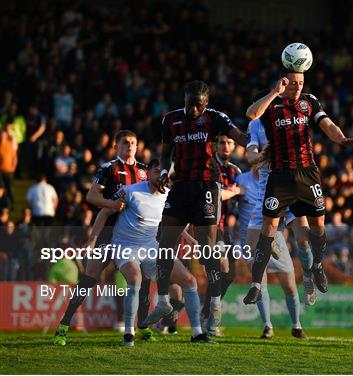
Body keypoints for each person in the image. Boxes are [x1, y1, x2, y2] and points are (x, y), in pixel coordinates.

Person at [243, 70, 353, 304]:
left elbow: (327, 124)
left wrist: (341, 138)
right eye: (293, 83)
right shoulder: (270, 107)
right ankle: (256, 284)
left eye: (301, 82)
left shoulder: (309, 101)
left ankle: (315, 268)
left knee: (313, 231)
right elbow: (251, 114)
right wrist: (274, 92)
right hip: (279, 177)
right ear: (283, 83)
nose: (297, 87)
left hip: (307, 173)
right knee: (267, 230)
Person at [145, 80, 248, 329]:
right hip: (180, 186)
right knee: (165, 244)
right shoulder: (171, 120)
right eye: (189, 104)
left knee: (207, 249)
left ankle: (213, 304)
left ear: (206, 104)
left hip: (206, 188)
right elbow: (166, 151)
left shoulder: (215, 118)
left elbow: (239, 137)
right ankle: (162, 301)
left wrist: (256, 141)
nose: (192, 110)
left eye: (198, 106)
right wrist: (165, 170)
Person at [53, 130, 150, 346]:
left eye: (133, 142)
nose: (130, 146)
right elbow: (91, 196)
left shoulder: (144, 171)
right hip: (108, 234)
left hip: (134, 236)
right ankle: (63, 326)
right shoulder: (109, 168)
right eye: (125, 142)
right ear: (116, 146)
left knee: (141, 280)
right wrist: (112, 204)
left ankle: (141, 326)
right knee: (88, 280)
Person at [110, 159, 213, 345]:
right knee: (135, 278)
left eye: (164, 173)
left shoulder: (170, 196)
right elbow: (105, 211)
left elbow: (173, 222)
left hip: (151, 246)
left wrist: (190, 239)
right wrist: (94, 239)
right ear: (149, 173)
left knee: (189, 281)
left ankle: (197, 333)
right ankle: (128, 333)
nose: (161, 176)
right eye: (157, 172)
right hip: (125, 245)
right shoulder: (131, 191)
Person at [246, 117, 317, 306]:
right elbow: (251, 155)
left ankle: (308, 277)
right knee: (251, 249)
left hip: (292, 187)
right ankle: (271, 246)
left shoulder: (288, 119)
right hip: (268, 192)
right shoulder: (255, 126)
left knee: (303, 238)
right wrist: (262, 156)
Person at [236, 164, 308, 339]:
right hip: (252, 236)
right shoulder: (241, 179)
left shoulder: (276, 175)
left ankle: (296, 325)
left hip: (276, 237)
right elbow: (231, 205)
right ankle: (267, 325)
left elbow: (286, 204)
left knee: (290, 285)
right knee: (260, 283)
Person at [200, 133, 242, 336]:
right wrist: (233, 192)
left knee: (230, 274)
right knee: (220, 268)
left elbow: (239, 200)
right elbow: (216, 195)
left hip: (227, 229)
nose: (225, 146)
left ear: (234, 146)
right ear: (216, 145)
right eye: (222, 142)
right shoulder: (209, 167)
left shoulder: (236, 171)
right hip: (209, 227)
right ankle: (209, 318)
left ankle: (205, 313)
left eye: (229, 142)